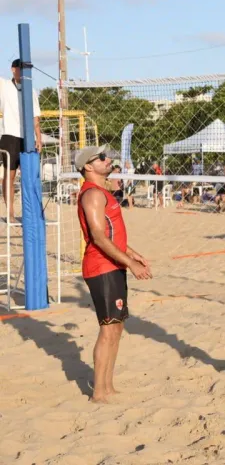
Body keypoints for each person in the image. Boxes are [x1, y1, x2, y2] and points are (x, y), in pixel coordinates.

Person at [75, 145, 152, 403]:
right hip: (101, 266)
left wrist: (132, 253)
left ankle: (107, 386)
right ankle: (99, 392)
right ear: (88, 166)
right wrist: (131, 263)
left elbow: (112, 235)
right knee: (108, 329)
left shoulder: (101, 192)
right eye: (102, 158)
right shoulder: (93, 195)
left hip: (112, 264)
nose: (109, 160)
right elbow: (98, 237)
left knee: (116, 328)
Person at [0, 59, 43, 220]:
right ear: (13, 69)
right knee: (9, 175)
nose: (23, 73)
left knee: (28, 176)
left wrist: (38, 138)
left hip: (27, 137)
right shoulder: (4, 85)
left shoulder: (30, 90)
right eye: (20, 69)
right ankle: (10, 212)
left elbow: (35, 117)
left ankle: (29, 212)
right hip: (10, 135)